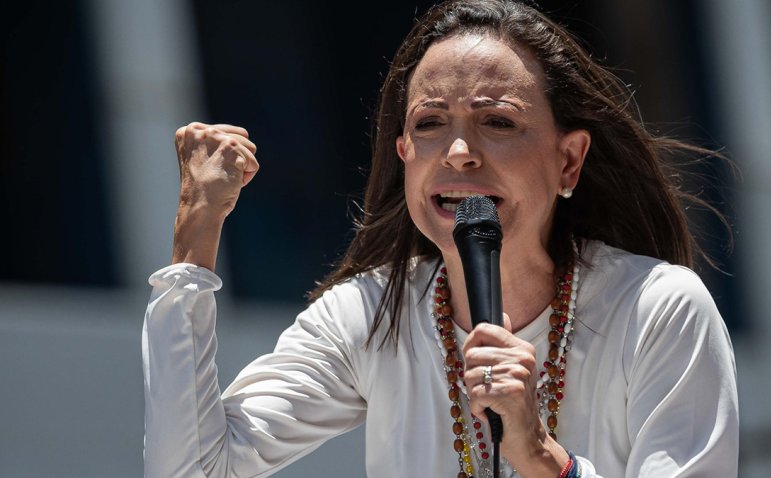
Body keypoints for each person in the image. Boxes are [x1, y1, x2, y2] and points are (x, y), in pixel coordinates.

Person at [142, 0, 739, 476]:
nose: (458, 153)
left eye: (497, 122)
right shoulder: (369, 314)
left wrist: (543, 459)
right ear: (404, 156)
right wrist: (195, 235)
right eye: (429, 125)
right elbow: (191, 470)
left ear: (569, 161)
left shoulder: (659, 308)